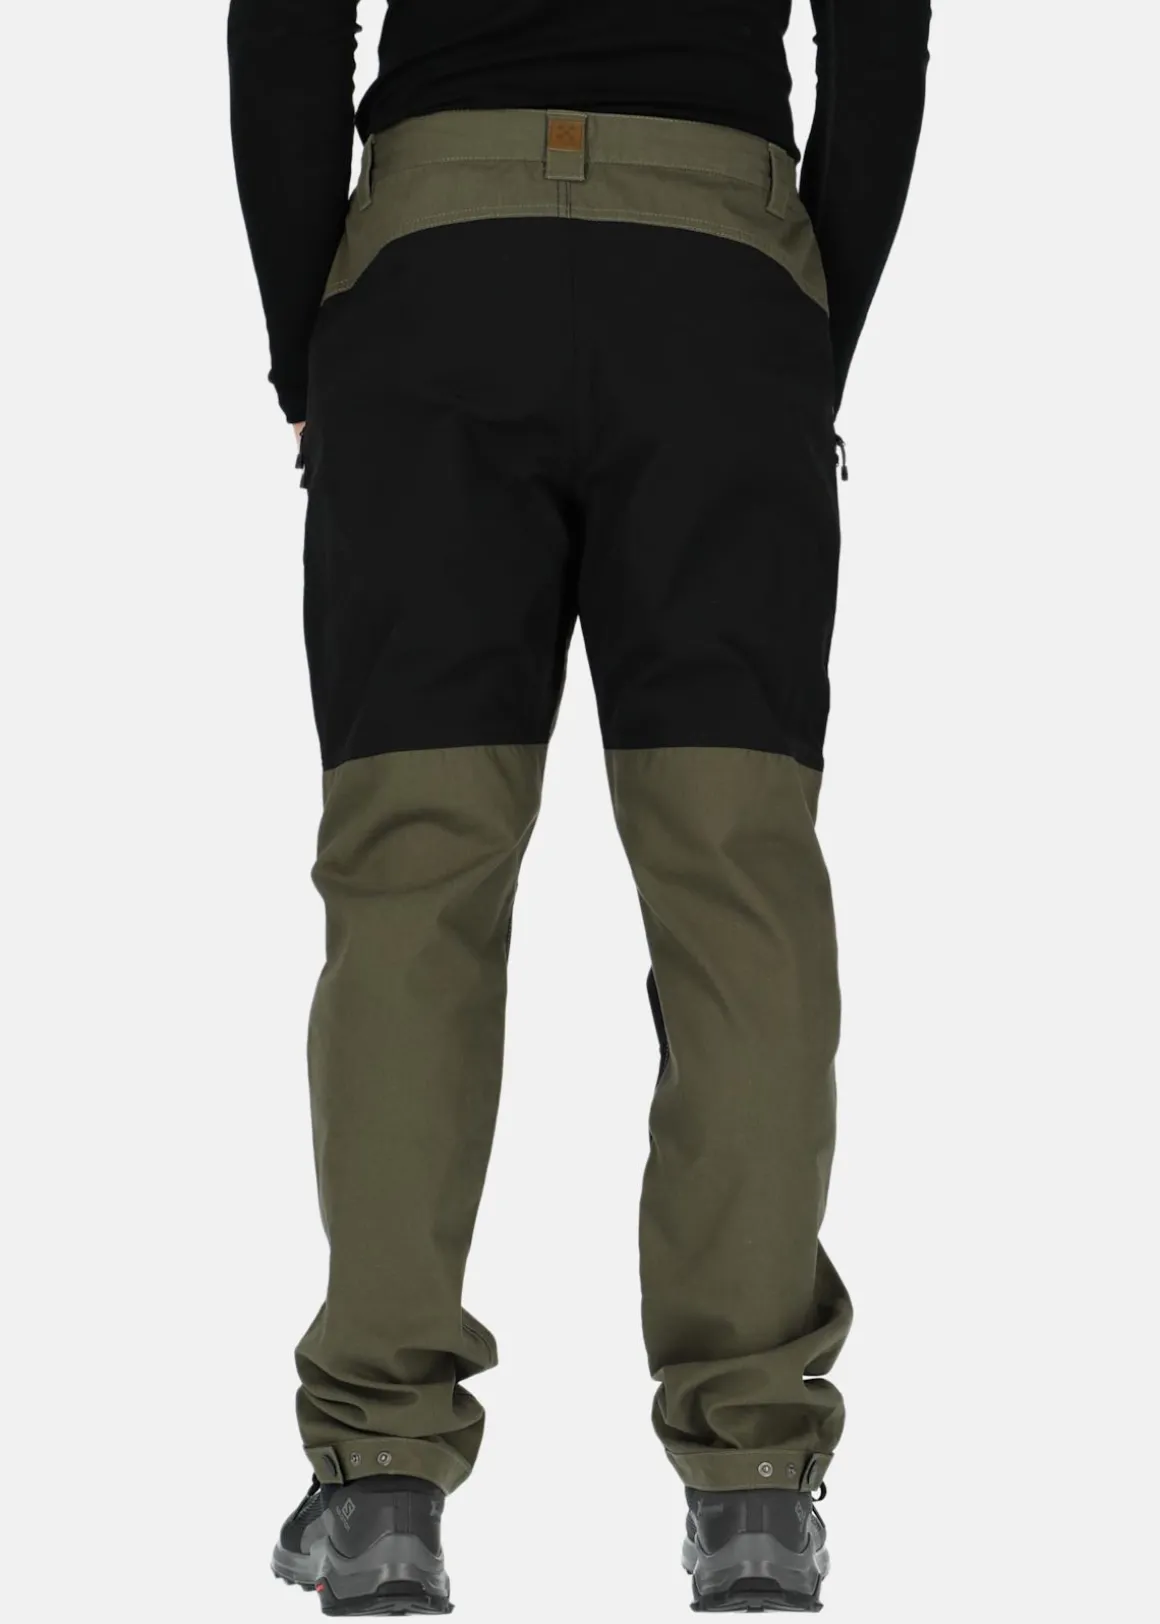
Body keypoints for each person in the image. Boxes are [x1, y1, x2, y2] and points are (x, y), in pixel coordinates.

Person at [227, 1, 931, 1613]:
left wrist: (308, 341)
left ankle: (383, 1473)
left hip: (435, 273)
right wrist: (796, 332)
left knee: (413, 876)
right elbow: (882, 40)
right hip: (719, 285)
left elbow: (284, 27)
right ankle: (753, 1487)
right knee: (738, 883)